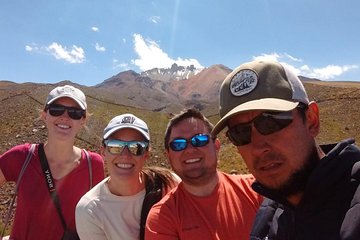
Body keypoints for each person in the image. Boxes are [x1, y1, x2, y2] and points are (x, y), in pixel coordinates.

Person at [211, 60, 360, 240]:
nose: (258, 147)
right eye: (240, 133)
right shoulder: (268, 217)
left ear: (312, 120)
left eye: (271, 122)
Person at [0, 85, 105, 240]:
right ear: (45, 115)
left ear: (83, 120)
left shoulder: (93, 165)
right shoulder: (21, 156)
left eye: (74, 113)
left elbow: (100, 217)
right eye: (56, 109)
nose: (65, 117)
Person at [145, 108, 263, 240]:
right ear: (168, 156)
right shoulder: (162, 217)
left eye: (200, 140)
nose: (190, 150)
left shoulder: (257, 190)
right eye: (178, 144)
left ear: (216, 145)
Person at [75, 113, 180, 240]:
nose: (125, 155)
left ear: (146, 154)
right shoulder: (90, 210)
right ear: (103, 151)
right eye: (115, 146)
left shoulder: (170, 184)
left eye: (136, 147)